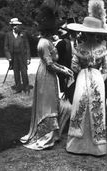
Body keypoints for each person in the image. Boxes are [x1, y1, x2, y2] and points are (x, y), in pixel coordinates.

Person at [20, 4, 73, 150]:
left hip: (49, 74)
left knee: (52, 101)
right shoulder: (44, 43)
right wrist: (64, 71)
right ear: (50, 30)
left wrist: (64, 68)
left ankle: (52, 134)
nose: (57, 30)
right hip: (45, 74)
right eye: (55, 28)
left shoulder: (48, 41)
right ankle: (45, 136)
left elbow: (53, 63)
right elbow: (49, 64)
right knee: (47, 104)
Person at [65, 0, 107, 156]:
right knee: (96, 107)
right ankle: (96, 146)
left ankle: (77, 144)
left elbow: (74, 67)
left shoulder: (79, 48)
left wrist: (85, 72)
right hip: (97, 79)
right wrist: (99, 77)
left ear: (84, 32)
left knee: (80, 106)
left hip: (83, 78)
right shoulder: (102, 49)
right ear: (97, 33)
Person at [4, 18, 31, 94]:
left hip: (23, 56)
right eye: (14, 25)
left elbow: (27, 46)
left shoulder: (23, 34)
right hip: (13, 57)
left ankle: (26, 88)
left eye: (17, 25)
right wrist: (9, 57)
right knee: (16, 73)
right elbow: (6, 47)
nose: (16, 27)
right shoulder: (8, 34)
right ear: (12, 26)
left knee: (24, 72)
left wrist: (28, 58)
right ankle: (18, 88)